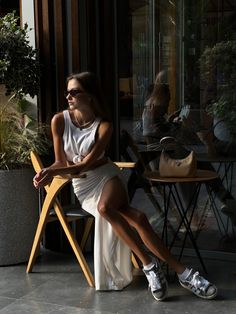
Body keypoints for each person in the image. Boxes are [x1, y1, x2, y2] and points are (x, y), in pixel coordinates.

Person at [33, 71, 217, 301]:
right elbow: (62, 161)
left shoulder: (104, 126)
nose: (68, 96)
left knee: (104, 209)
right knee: (137, 218)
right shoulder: (59, 121)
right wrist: (51, 170)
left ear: (90, 95)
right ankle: (184, 273)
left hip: (106, 177)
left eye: (74, 91)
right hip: (84, 187)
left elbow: (88, 163)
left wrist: (51, 172)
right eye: (67, 92)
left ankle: (149, 266)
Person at [142, 82, 236, 226]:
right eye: (166, 102)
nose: (168, 106)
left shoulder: (153, 113)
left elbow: (161, 131)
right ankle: (220, 204)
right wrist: (179, 126)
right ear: (157, 99)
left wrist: (172, 122)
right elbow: (162, 134)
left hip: (176, 159)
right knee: (200, 156)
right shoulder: (150, 113)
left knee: (203, 154)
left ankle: (226, 202)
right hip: (169, 165)